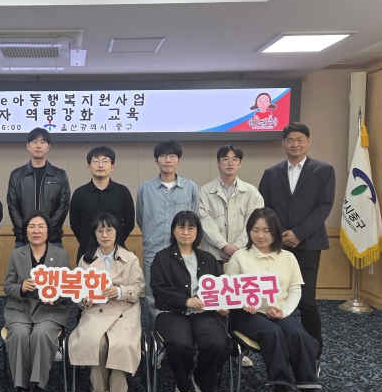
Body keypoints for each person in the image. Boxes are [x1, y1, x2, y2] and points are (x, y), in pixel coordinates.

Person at [226, 208, 321, 392]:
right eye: (255, 230)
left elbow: (295, 290)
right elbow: (229, 291)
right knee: (272, 334)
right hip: (248, 315)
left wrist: (283, 312)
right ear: (249, 231)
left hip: (279, 312)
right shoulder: (240, 257)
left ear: (276, 232)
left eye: (266, 230)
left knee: (300, 335)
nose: (260, 235)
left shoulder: (288, 257)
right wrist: (243, 303)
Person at [258, 122, 335, 359]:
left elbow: (324, 206)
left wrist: (299, 233)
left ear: (308, 141)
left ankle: (314, 353)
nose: (295, 144)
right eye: (290, 140)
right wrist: (280, 232)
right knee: (276, 298)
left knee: (306, 301)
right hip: (277, 246)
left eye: (300, 139)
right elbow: (265, 207)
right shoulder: (271, 173)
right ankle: (283, 348)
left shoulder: (324, 170)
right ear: (283, 143)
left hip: (309, 244)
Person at [150, 211, 231, 392]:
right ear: (173, 231)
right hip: (171, 312)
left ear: (197, 232)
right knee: (179, 344)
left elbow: (221, 289)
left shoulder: (208, 259)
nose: (185, 232)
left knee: (218, 344)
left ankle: (202, 381)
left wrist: (222, 306)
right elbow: (159, 290)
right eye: (181, 227)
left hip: (205, 313)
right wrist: (185, 301)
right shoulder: (162, 258)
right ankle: (183, 382)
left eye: (190, 228)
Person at [68, 213, 144, 392]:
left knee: (119, 344)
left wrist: (119, 291)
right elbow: (78, 292)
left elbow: (139, 288)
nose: (105, 234)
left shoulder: (130, 258)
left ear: (116, 232)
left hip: (124, 312)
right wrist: (84, 301)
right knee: (98, 342)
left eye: (109, 229)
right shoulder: (86, 260)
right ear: (94, 234)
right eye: (100, 230)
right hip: (96, 311)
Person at [198, 145, 263, 368]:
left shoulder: (251, 192)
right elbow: (204, 221)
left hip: (242, 255)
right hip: (212, 255)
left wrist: (236, 247)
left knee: (239, 302)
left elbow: (255, 223)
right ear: (218, 163)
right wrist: (224, 245)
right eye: (225, 159)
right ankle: (215, 346)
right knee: (215, 302)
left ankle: (238, 350)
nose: (230, 162)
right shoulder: (205, 191)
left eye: (235, 159)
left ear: (240, 164)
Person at [3, 210, 70, 392]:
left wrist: (55, 297)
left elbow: (67, 287)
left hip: (50, 310)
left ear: (48, 230)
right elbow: (7, 287)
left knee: (41, 334)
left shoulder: (61, 255)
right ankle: (22, 391)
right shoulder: (17, 254)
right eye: (32, 226)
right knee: (19, 334)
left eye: (41, 226)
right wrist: (21, 288)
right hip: (20, 309)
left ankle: (39, 391)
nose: (36, 230)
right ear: (25, 231)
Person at [137, 140, 199, 339]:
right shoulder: (145, 188)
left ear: (179, 160)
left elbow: (194, 219)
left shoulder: (190, 187)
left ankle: (179, 337)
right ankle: (153, 342)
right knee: (152, 296)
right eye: (163, 155)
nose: (168, 160)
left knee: (183, 294)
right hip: (153, 252)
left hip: (183, 253)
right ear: (156, 160)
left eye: (172, 156)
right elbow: (141, 219)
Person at [7, 128, 70, 249]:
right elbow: (12, 206)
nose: (38, 146)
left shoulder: (59, 175)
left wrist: (46, 230)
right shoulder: (16, 175)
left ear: (48, 146)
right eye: (34, 142)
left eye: (42, 142)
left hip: (53, 239)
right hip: (23, 240)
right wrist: (27, 230)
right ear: (28, 146)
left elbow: (63, 206)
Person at [69, 146, 135, 264]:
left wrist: (115, 240)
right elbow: (75, 224)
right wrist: (88, 241)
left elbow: (129, 223)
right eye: (96, 161)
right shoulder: (79, 193)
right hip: (87, 251)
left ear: (112, 166)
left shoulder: (122, 191)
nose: (100, 165)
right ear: (89, 166)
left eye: (105, 161)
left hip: (117, 251)